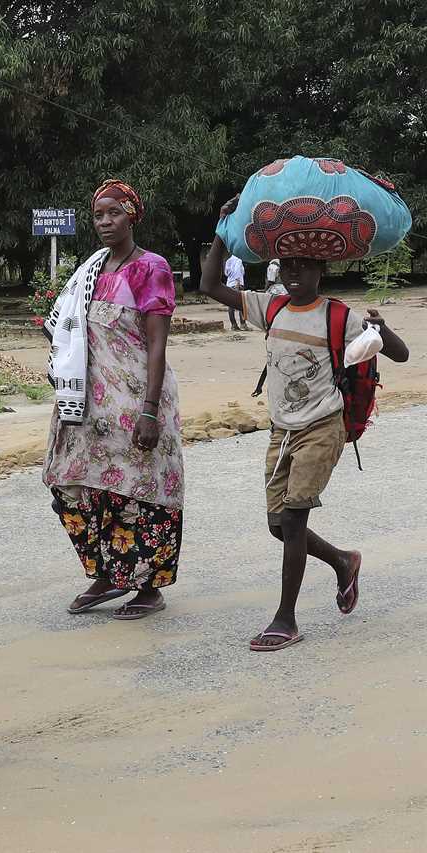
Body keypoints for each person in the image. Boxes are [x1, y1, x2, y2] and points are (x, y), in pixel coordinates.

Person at [199, 195, 409, 651]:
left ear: (321, 270)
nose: (294, 273)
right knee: (278, 525)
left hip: (323, 427)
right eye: (287, 264)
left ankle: (285, 619)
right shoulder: (270, 308)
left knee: (293, 520)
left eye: (304, 265)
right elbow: (210, 285)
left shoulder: (339, 315)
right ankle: (342, 561)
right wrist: (221, 228)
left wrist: (382, 328)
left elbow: (401, 354)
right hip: (282, 429)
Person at [44, 180, 186, 620]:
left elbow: (156, 345)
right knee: (72, 483)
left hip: (136, 402)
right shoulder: (93, 270)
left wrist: (149, 411)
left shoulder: (151, 268)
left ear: (132, 215)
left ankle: (148, 586)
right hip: (88, 404)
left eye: (114, 214)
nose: (105, 223)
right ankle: (106, 573)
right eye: (99, 216)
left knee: (142, 492)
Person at [224, 252, 248, 330]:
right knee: (241, 305)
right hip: (237, 285)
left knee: (231, 306)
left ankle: (234, 325)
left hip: (229, 284)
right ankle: (243, 324)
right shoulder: (239, 260)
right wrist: (237, 282)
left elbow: (226, 273)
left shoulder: (228, 261)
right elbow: (238, 271)